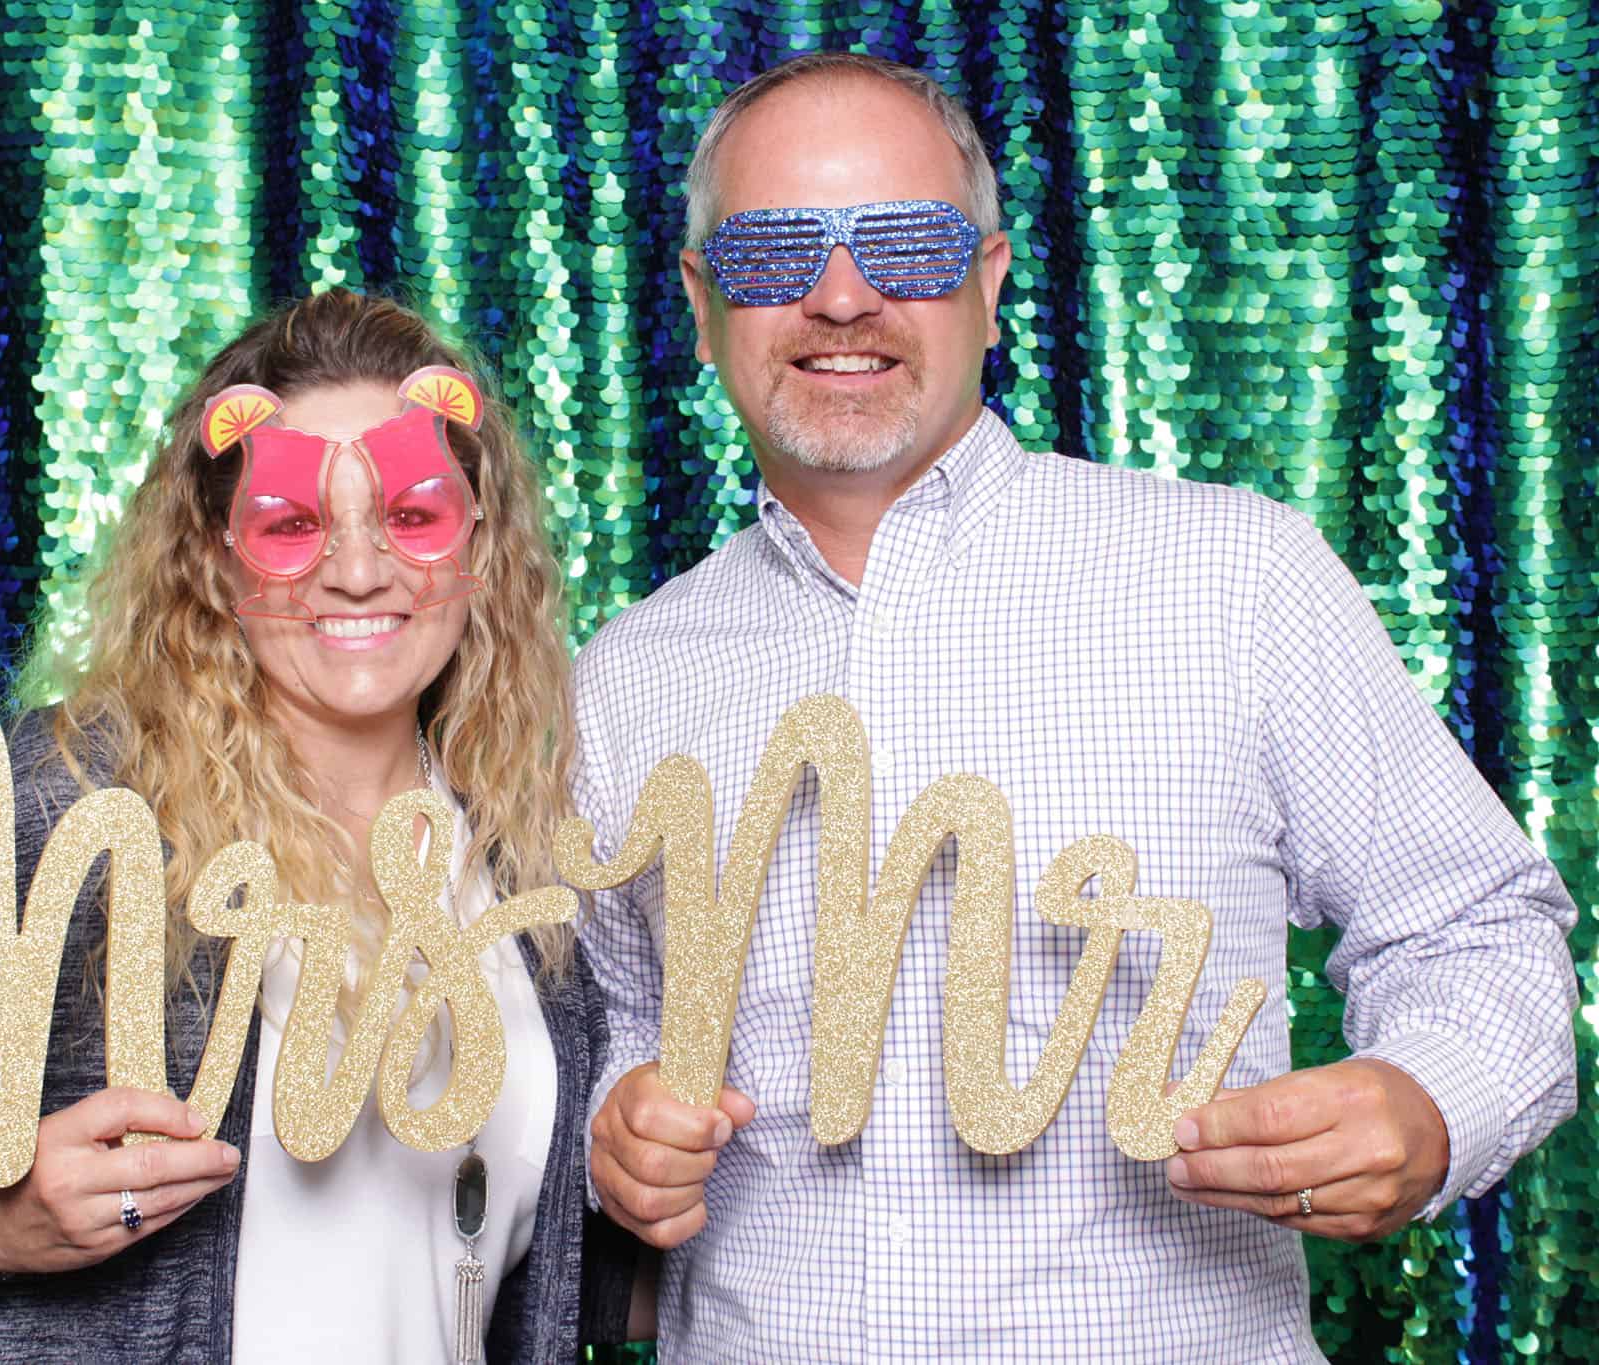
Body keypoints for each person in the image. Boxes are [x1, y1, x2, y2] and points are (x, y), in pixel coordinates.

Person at [572, 51, 1577, 1362]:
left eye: (907, 246)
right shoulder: (627, 672)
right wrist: (612, 1124)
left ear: (990, 284)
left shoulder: (1235, 577)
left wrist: (1431, 1102)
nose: (840, 296)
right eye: (771, 256)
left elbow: (1477, 929)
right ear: (703, 305)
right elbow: (617, 1021)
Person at [0, 289, 635, 1362]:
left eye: (410, 515)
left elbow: (506, 1261)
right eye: (292, 524)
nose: (355, 570)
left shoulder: (518, 864)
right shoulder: (68, 803)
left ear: (478, 540)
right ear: (212, 558)